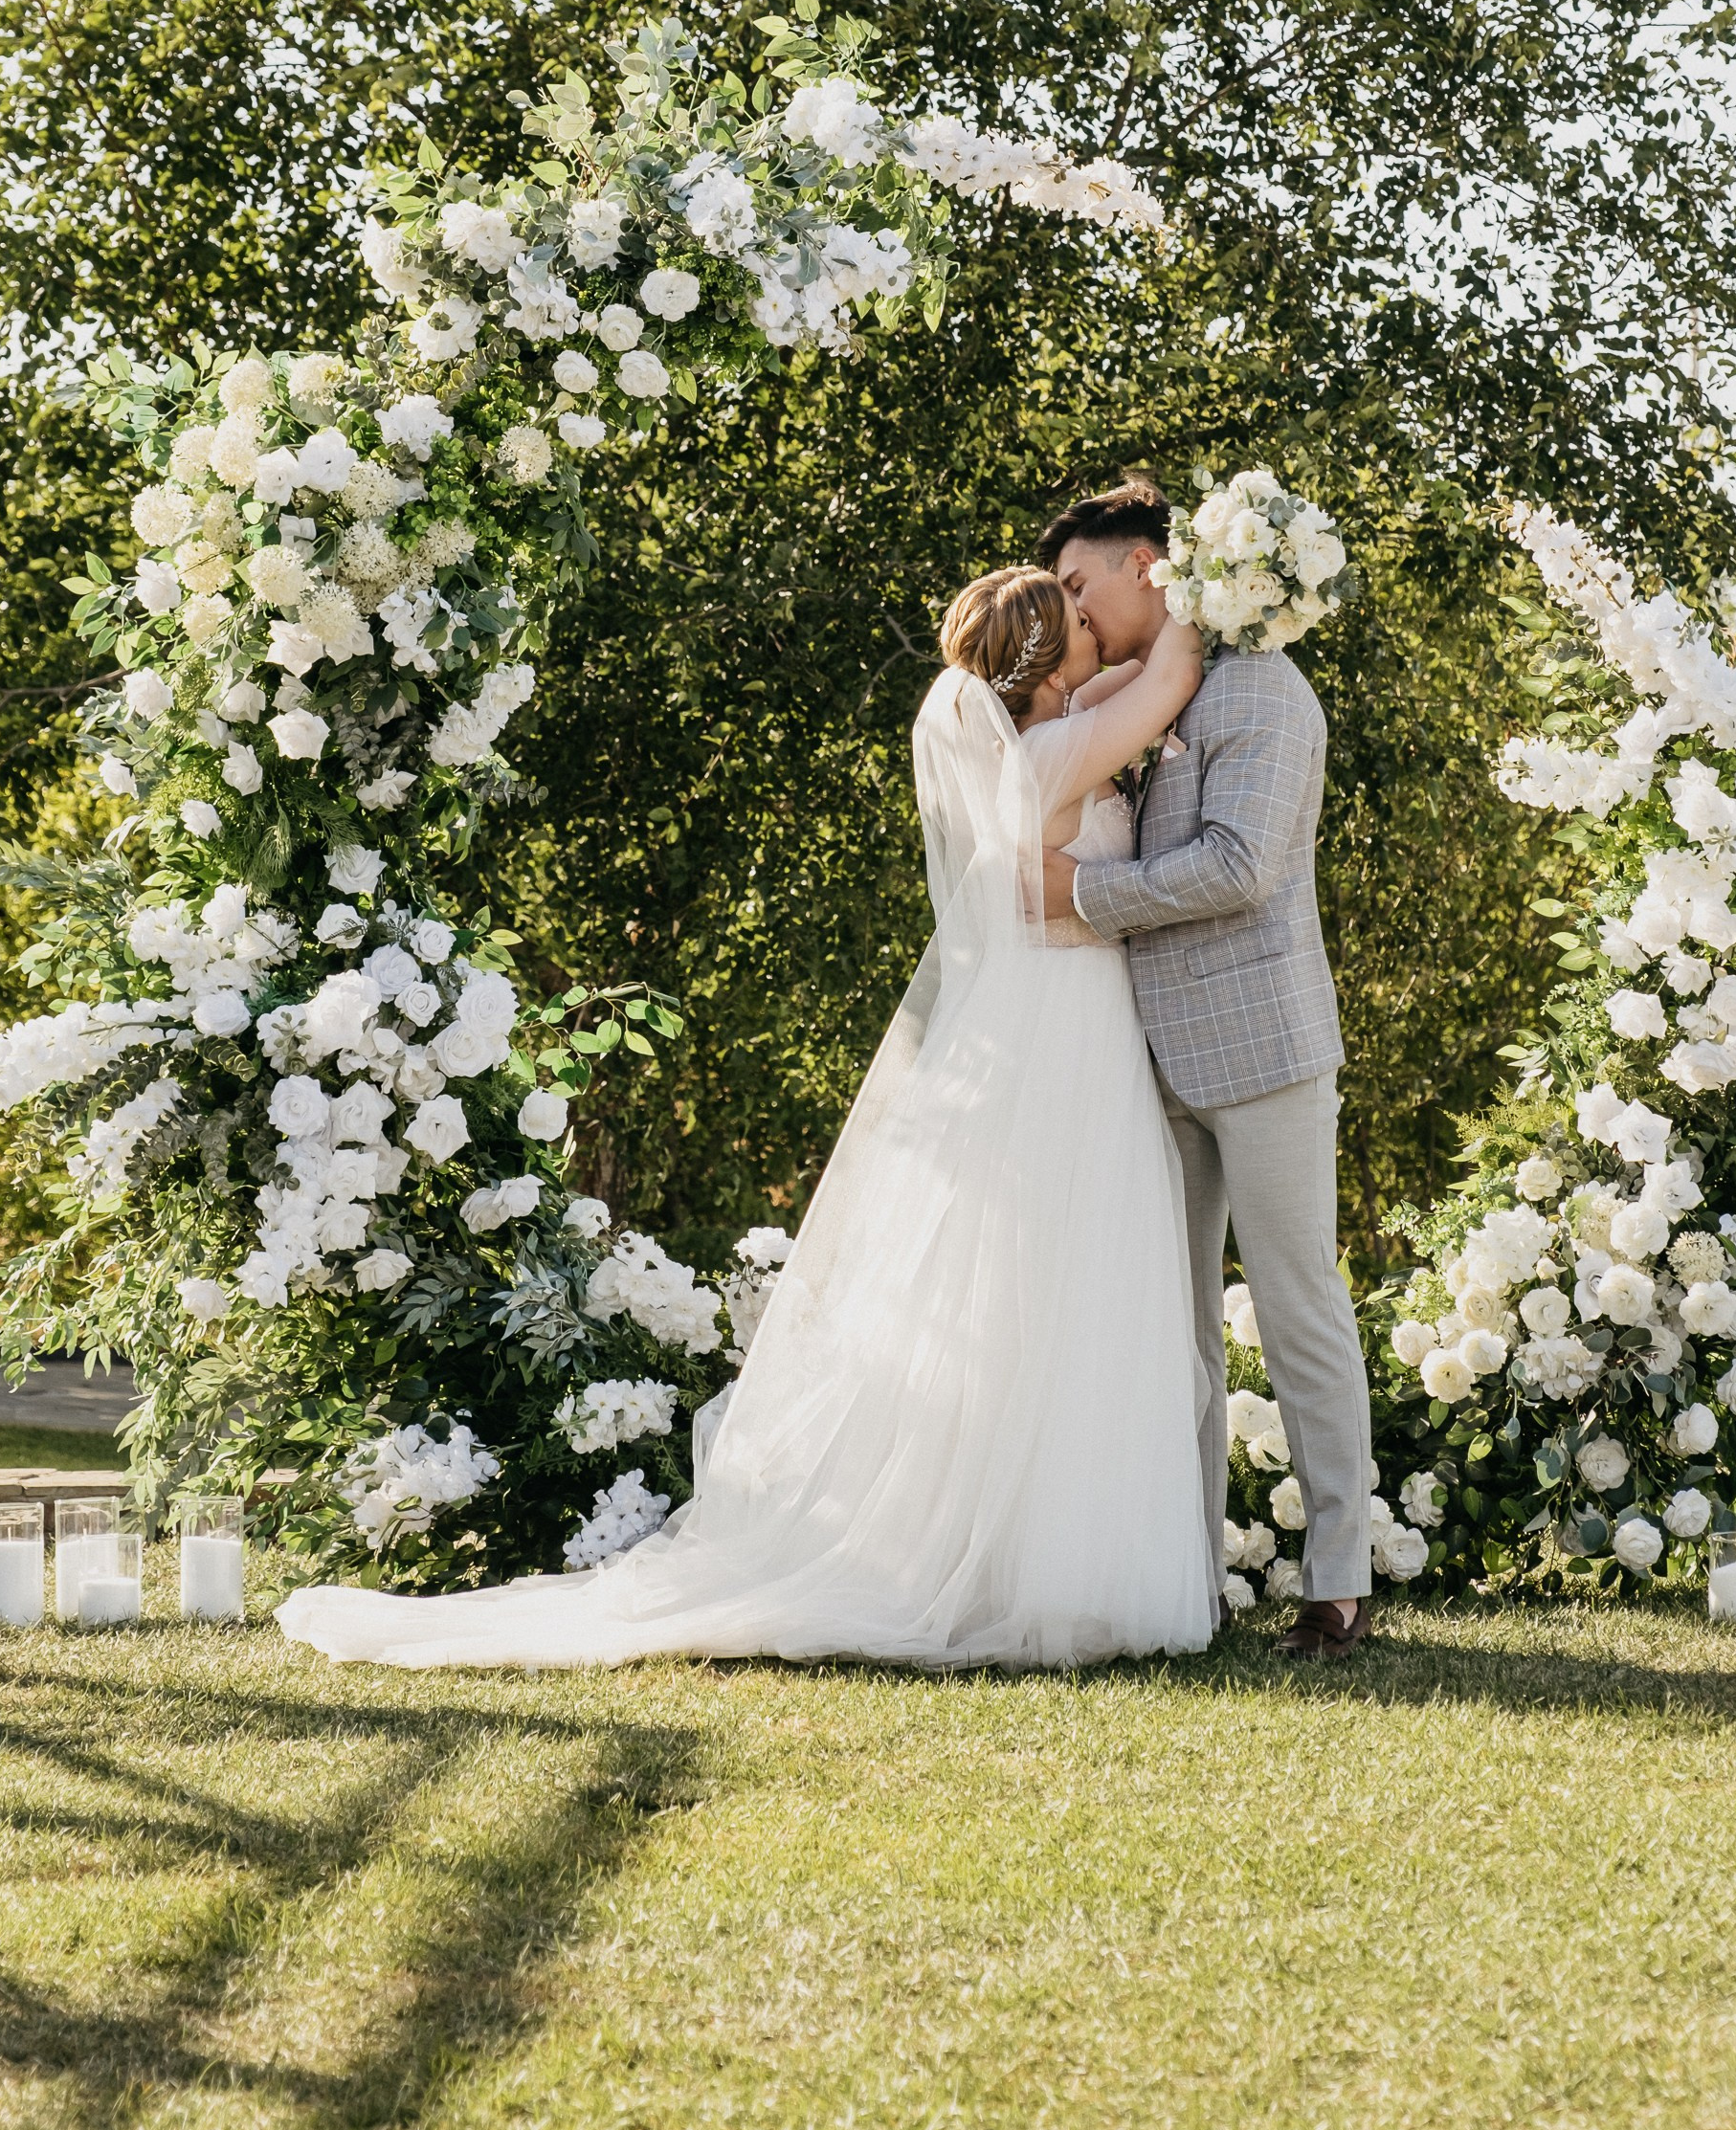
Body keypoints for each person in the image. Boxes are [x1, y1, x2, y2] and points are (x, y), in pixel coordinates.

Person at [278, 566, 1217, 1672]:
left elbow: (1118, 684)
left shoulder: (1043, 740)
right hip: (1066, 1039)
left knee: (1048, 1288)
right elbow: (1170, 671)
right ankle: (1046, 1569)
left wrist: (1105, 632)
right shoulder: (1059, 754)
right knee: (1064, 1283)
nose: (1088, 620)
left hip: (1052, 1032)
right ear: (1047, 664)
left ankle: (1028, 1552)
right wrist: (1215, 570)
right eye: (1071, 617)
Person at [1036, 479, 1373, 1660]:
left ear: (1145, 567)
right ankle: (1184, 1572)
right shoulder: (1131, 697)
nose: (1069, 609)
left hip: (1264, 1049)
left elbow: (1237, 865)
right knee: (1168, 1326)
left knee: (1295, 1310)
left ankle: (1336, 1579)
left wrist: (1079, 895)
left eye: (1079, 585)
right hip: (1149, 1056)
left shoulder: (1262, 691)